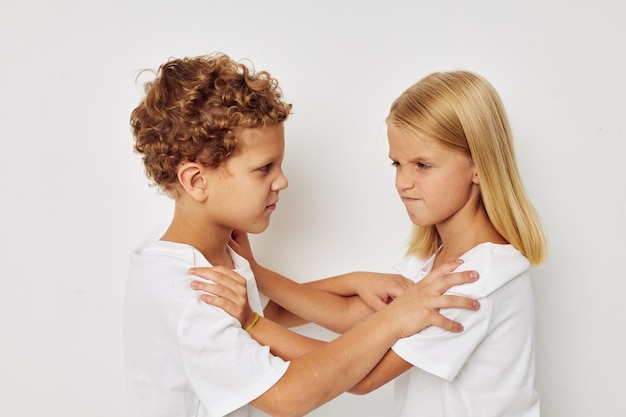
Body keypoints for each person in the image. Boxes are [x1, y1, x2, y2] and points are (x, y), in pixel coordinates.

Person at [123, 53, 481, 417]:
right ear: (197, 181)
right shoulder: (192, 289)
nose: (282, 181)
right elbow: (287, 397)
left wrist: (352, 281)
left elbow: (265, 312)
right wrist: (395, 319)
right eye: (264, 169)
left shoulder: (210, 255)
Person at [191, 70, 547, 417]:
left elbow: (362, 377)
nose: (402, 183)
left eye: (422, 165)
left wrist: (253, 324)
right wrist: (257, 275)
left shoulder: (473, 281)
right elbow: (351, 316)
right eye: (397, 163)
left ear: (479, 167)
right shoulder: (435, 264)